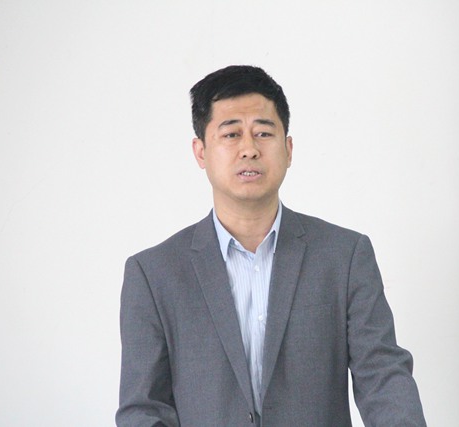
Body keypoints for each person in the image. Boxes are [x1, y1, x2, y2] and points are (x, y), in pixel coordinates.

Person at [116, 65, 426, 426]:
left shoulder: (344, 257)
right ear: (200, 152)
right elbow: (144, 409)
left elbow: (383, 378)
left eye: (263, 133)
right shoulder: (153, 275)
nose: (249, 149)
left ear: (288, 149)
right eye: (231, 134)